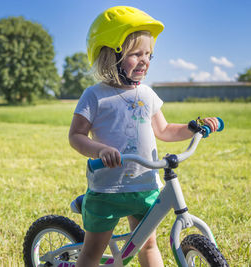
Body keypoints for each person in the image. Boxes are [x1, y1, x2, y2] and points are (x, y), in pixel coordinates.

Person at [69, 6, 219, 267]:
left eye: (149, 54)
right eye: (136, 54)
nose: (145, 60)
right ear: (111, 55)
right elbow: (76, 135)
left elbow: (164, 130)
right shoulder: (95, 95)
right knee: (93, 252)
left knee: (148, 245)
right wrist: (99, 150)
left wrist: (194, 127)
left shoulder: (147, 95)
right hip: (107, 189)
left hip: (145, 186)